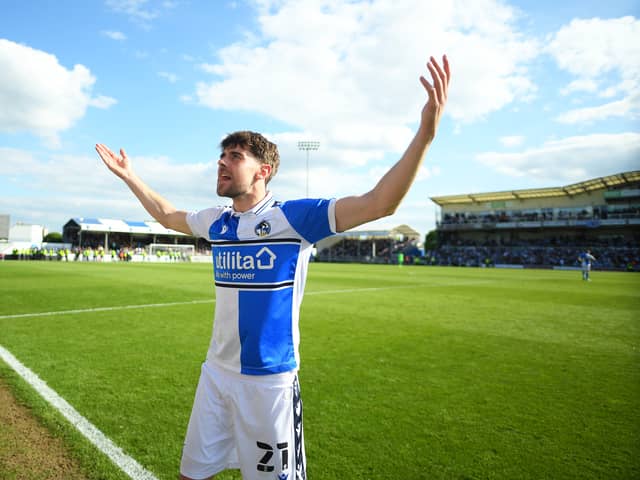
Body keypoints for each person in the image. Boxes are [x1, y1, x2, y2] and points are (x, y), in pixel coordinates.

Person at [95, 54, 450, 480]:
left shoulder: (294, 217)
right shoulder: (217, 221)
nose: (222, 162)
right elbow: (168, 215)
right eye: (222, 155)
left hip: (270, 384)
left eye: (235, 155)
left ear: (262, 171)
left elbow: (380, 203)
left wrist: (425, 135)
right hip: (216, 375)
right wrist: (130, 177)